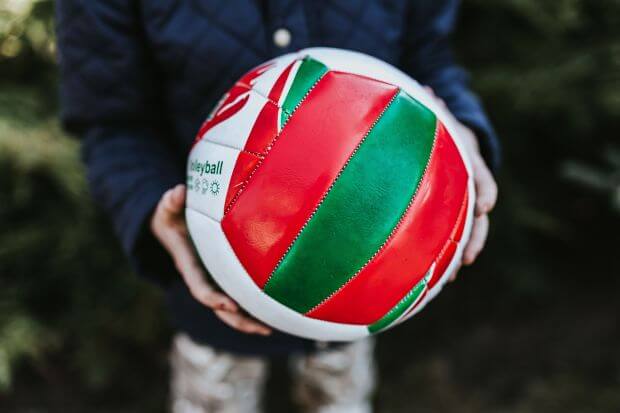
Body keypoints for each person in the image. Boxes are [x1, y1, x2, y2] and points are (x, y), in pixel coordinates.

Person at [57, 1, 499, 412]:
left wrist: (462, 140)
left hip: (362, 286)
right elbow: (111, 119)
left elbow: (429, 57)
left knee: (340, 395)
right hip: (217, 286)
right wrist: (149, 205)